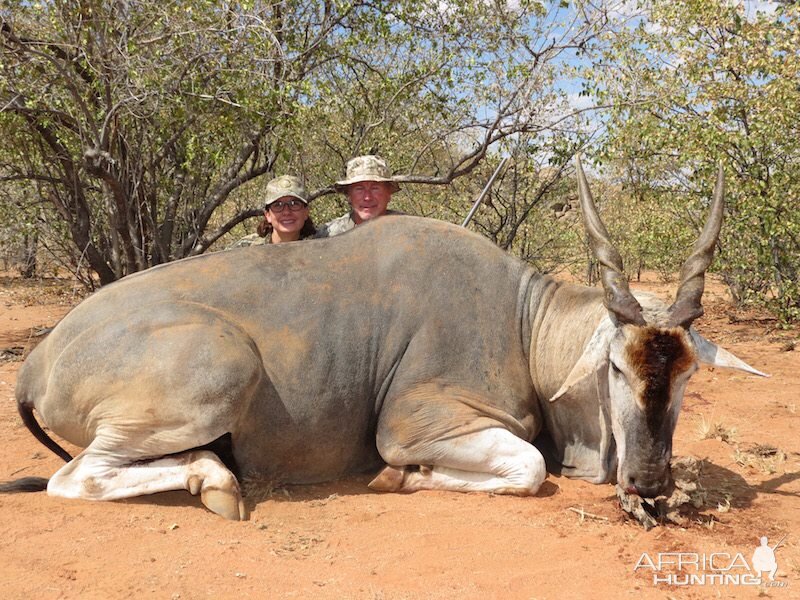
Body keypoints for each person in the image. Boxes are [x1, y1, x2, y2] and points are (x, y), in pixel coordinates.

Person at [314, 154, 402, 238]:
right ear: (349, 195)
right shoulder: (328, 235)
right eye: (359, 189)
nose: (367, 197)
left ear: (388, 194)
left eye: (375, 188)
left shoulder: (408, 229)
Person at [230, 175, 315, 247]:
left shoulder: (319, 247)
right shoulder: (245, 247)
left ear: (306, 212)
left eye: (294, 204)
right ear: (268, 215)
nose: (286, 212)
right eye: (278, 205)